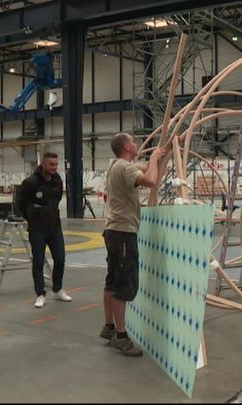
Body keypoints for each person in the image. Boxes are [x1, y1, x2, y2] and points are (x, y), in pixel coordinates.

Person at [100, 132, 164, 357]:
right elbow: (150, 180)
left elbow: (142, 168)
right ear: (127, 146)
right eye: (134, 142)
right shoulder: (125, 168)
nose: (137, 145)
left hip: (114, 231)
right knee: (123, 286)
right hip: (123, 232)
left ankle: (109, 326)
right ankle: (121, 335)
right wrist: (155, 160)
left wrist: (155, 159)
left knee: (111, 281)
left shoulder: (117, 166)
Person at [16, 151, 71, 308]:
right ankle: (40, 294)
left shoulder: (57, 181)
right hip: (37, 230)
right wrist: (32, 218)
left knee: (60, 259)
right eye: (51, 164)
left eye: (56, 164)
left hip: (55, 228)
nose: (54, 167)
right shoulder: (31, 182)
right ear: (43, 164)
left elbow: (58, 198)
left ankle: (58, 289)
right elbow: (20, 203)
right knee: (38, 262)